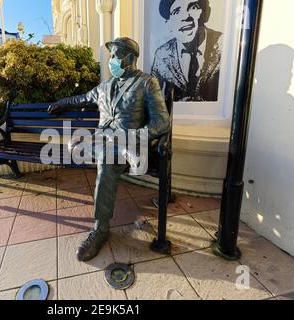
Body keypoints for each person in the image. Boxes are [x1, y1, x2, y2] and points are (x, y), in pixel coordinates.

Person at [48, 37, 170, 262]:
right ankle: (124, 153)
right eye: (110, 56)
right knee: (73, 144)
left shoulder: (146, 83)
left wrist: (131, 137)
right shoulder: (104, 86)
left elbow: (162, 123)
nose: (111, 60)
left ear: (130, 58)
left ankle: (100, 229)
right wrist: (62, 102)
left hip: (126, 140)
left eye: (115, 55)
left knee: (107, 158)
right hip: (102, 139)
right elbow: (83, 98)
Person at [151, 0, 222, 101]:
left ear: (205, 14)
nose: (185, 17)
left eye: (193, 7)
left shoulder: (223, 45)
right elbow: (153, 97)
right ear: (169, 22)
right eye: (176, 11)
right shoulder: (162, 55)